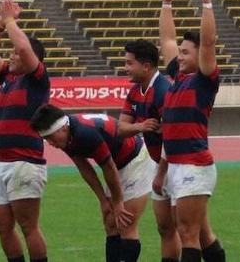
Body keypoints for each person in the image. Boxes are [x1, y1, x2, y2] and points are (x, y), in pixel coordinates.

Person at [157, 0, 226, 262]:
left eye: (186, 53)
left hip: (193, 166)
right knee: (199, 233)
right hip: (177, 165)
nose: (180, 56)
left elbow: (208, 43)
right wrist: (166, 3)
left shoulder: (203, 80)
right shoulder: (179, 77)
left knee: (187, 233)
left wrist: (207, 6)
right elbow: (167, 40)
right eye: (181, 53)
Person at [31, 104, 151, 262]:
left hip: (135, 159)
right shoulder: (67, 137)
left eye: (50, 137)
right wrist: (103, 200)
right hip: (117, 165)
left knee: (125, 223)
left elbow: (108, 167)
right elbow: (84, 167)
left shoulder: (84, 133)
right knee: (110, 222)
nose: (50, 143)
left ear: (63, 128)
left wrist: (118, 202)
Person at [0, 0, 51, 262]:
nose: (10, 56)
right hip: (4, 162)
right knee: (2, 225)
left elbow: (22, 48)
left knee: (28, 226)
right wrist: (0, 25)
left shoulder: (37, 80)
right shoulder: (9, 78)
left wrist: (11, 21)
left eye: (14, 54)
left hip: (26, 161)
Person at [119, 37, 182, 262]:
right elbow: (121, 128)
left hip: (177, 165)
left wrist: (162, 173)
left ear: (146, 66)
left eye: (129, 63)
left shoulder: (164, 90)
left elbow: (171, 136)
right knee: (165, 227)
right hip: (160, 165)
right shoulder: (136, 91)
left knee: (189, 230)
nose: (125, 68)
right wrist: (140, 126)